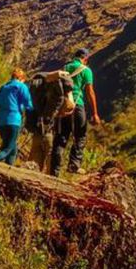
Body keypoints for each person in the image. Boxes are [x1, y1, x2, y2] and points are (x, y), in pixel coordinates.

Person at [51, 47, 100, 175]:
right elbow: (90, 92)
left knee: (60, 138)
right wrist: (95, 113)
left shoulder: (65, 68)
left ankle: (54, 171)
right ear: (86, 59)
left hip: (62, 107)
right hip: (77, 106)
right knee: (80, 136)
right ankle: (74, 166)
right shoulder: (86, 70)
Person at [0, 68, 33, 165]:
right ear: (21, 78)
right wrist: (32, 112)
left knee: (13, 148)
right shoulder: (21, 87)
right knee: (8, 148)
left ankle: (9, 168)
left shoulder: (3, 88)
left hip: (1, 123)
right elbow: (28, 103)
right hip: (14, 121)